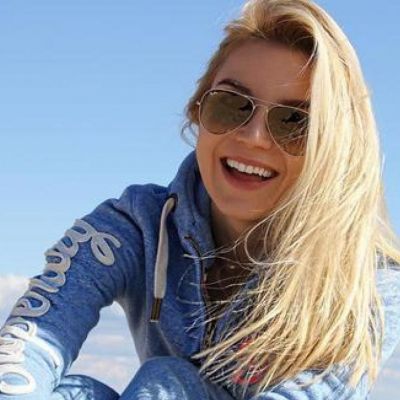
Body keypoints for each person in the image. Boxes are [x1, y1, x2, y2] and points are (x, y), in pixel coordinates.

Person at [1, 0, 400, 398]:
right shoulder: (135, 226)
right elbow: (30, 345)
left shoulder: (365, 284)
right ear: (197, 110)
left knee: (166, 383)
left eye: (295, 122)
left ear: (333, 149)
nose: (253, 137)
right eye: (231, 105)